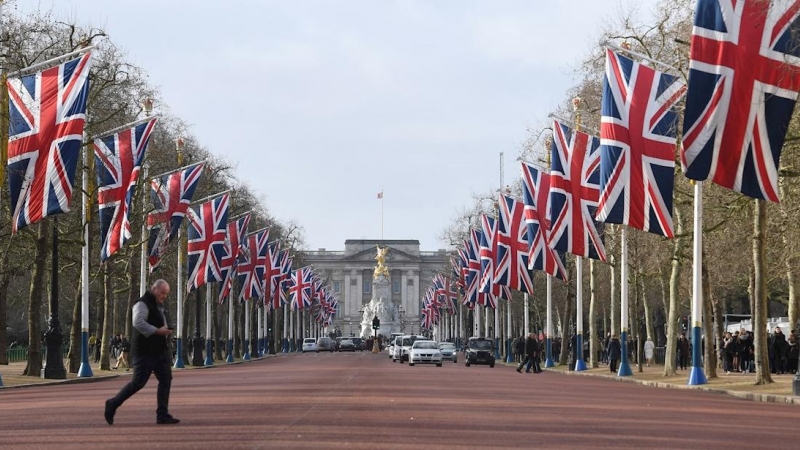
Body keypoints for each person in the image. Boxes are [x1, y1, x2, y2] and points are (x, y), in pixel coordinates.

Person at [105, 280, 179, 425]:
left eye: (166, 294)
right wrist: (157, 331)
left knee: (166, 379)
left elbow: (160, 322)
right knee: (138, 382)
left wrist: (167, 329)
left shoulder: (160, 306)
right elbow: (138, 322)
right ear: (154, 289)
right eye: (162, 293)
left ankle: (162, 414)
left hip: (159, 351)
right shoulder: (142, 303)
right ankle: (112, 403)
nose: (164, 296)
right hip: (144, 351)